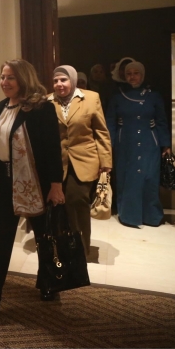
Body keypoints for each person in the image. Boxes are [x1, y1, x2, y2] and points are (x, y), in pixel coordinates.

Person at [0, 59, 65, 314]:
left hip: (36, 182)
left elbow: (52, 149)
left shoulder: (41, 108)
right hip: (5, 182)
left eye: (11, 78)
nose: (4, 82)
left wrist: (56, 185)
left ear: (24, 79)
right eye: (2, 77)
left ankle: (50, 282)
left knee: (44, 236)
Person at [48, 65, 112, 256]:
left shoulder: (91, 98)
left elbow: (101, 131)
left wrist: (106, 162)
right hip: (57, 162)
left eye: (63, 80)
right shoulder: (47, 101)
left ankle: (81, 249)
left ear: (73, 80)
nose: (59, 84)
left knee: (78, 201)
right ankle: (62, 246)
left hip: (85, 160)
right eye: (56, 81)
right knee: (58, 205)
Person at [105, 61, 171, 227]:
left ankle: (151, 216)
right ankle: (129, 216)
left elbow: (161, 121)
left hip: (150, 142)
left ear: (142, 75)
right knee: (128, 178)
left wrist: (165, 144)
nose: (132, 77)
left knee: (149, 178)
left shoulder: (153, 95)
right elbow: (110, 122)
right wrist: (109, 145)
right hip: (125, 143)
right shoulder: (117, 96)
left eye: (136, 73)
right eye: (129, 74)